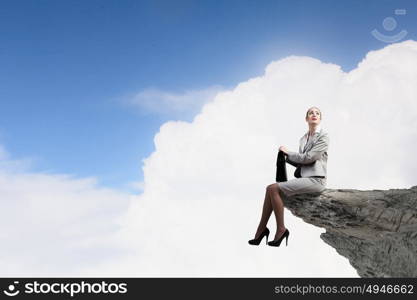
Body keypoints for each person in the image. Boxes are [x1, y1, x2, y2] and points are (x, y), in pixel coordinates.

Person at [248, 106, 329, 247]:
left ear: (320, 118)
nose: (314, 115)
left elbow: (309, 158)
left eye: (317, 113)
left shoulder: (324, 136)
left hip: (317, 180)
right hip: (305, 178)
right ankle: (261, 230)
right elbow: (302, 163)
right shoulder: (303, 139)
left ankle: (280, 229)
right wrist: (285, 157)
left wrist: (289, 152)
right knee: (270, 189)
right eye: (311, 113)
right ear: (306, 118)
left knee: (273, 189)